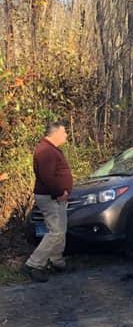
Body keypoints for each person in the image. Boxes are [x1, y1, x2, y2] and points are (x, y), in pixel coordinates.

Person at [23, 121, 73, 282]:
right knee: (56, 231)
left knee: (60, 229)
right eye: (64, 132)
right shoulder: (46, 151)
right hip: (51, 196)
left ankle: (56, 261)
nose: (66, 135)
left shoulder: (50, 149)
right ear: (56, 133)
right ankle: (34, 264)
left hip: (56, 196)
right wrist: (59, 192)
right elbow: (47, 177)